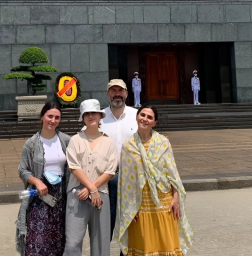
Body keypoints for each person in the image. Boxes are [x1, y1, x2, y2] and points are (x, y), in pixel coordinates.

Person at [116, 106, 193, 256]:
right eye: (142, 115)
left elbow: (173, 174)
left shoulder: (163, 142)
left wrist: (176, 197)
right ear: (137, 117)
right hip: (140, 204)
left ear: (154, 123)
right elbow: (125, 182)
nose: (145, 119)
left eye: (149, 117)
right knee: (144, 245)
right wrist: (128, 208)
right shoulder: (128, 146)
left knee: (165, 243)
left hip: (164, 202)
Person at [16, 102, 72, 256]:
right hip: (40, 196)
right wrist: (37, 181)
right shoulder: (31, 143)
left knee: (58, 239)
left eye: (57, 117)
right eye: (50, 116)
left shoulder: (66, 140)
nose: (53, 120)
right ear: (42, 117)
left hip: (60, 196)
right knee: (37, 239)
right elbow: (22, 169)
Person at [64, 99, 119, 256]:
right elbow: (74, 167)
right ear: (82, 117)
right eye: (86, 114)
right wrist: (91, 188)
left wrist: (93, 189)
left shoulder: (108, 141)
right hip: (77, 194)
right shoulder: (75, 140)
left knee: (101, 242)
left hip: (101, 195)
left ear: (100, 115)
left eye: (93, 113)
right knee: (73, 242)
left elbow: (110, 170)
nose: (90, 116)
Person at [101, 79, 139, 240]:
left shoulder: (137, 115)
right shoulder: (99, 117)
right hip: (106, 178)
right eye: (113, 91)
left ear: (126, 94)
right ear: (108, 94)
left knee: (131, 223)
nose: (117, 94)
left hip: (132, 177)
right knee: (105, 223)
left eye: (120, 91)